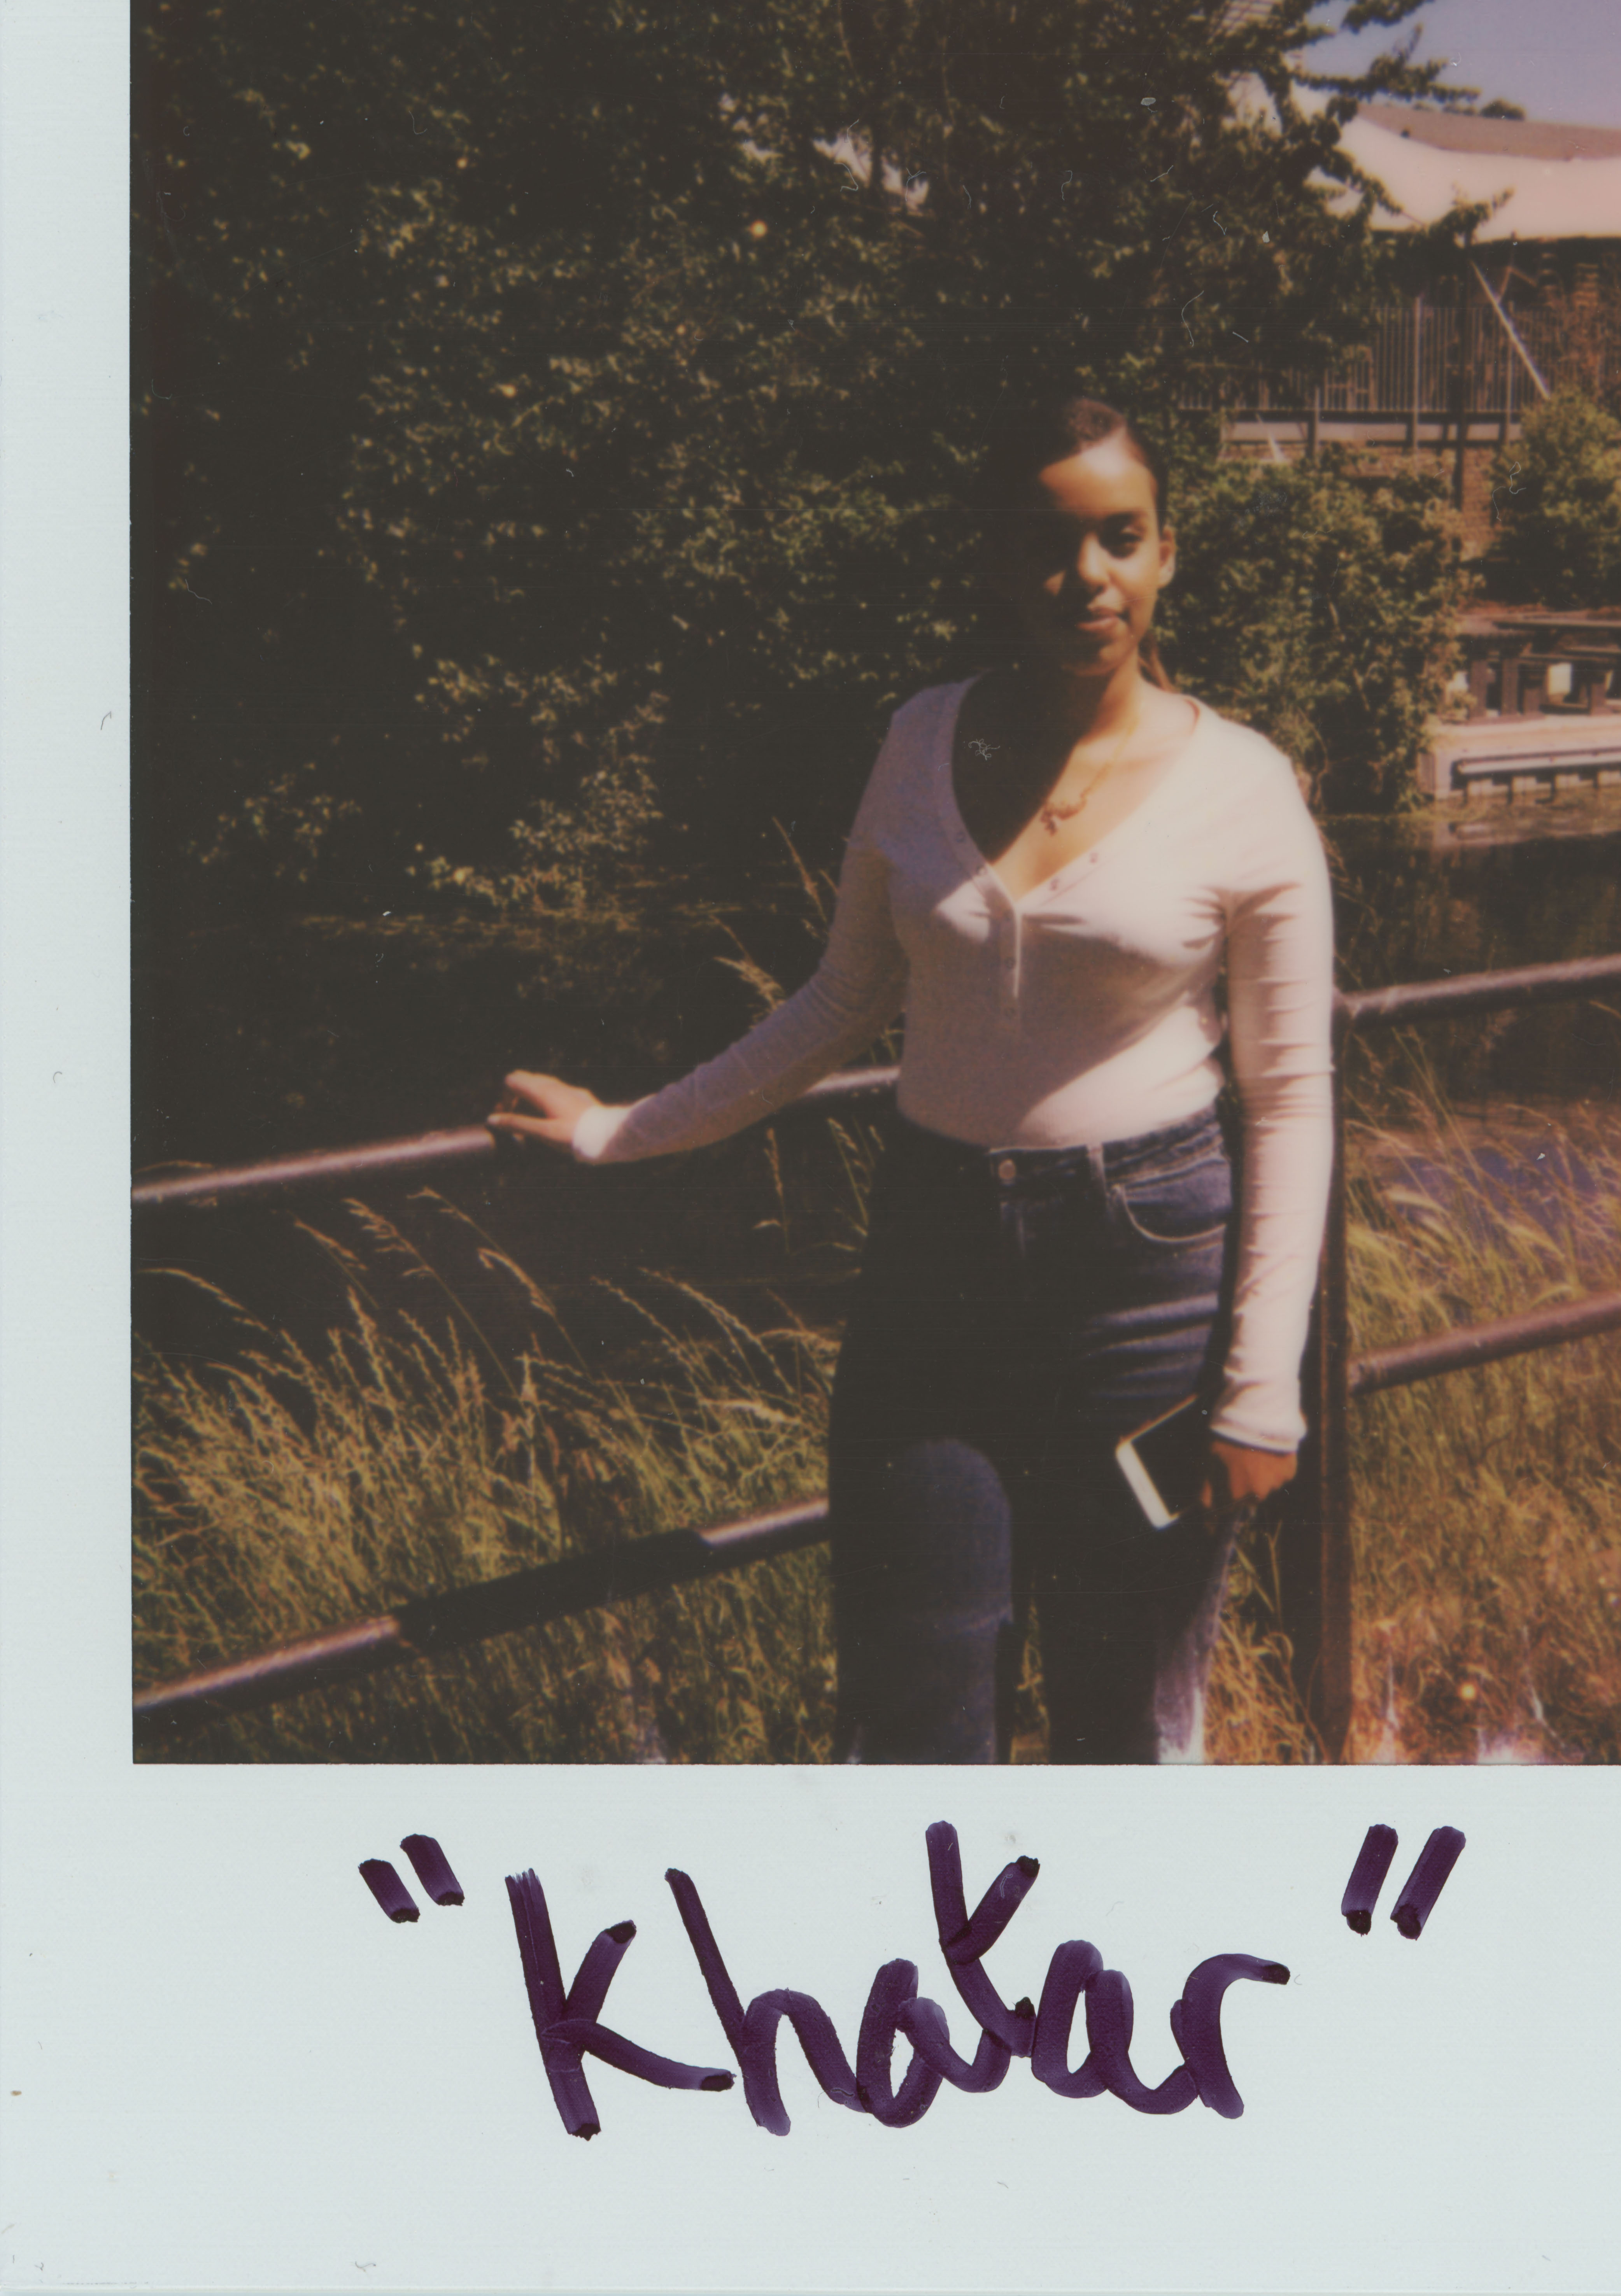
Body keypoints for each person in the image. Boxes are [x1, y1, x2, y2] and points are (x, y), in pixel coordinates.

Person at [492, 398, 1334, 1764]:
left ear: (1167, 553)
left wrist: (1260, 1387)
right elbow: (836, 1003)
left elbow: (1291, 1099)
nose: (1088, 579)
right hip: (932, 1277)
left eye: (1121, 539)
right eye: (1051, 546)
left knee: (1125, 1729)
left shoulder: (1243, 787)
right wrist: (614, 1133)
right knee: (914, 1711)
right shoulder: (918, 740)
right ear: (1000, 566)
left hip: (1146, 1291)